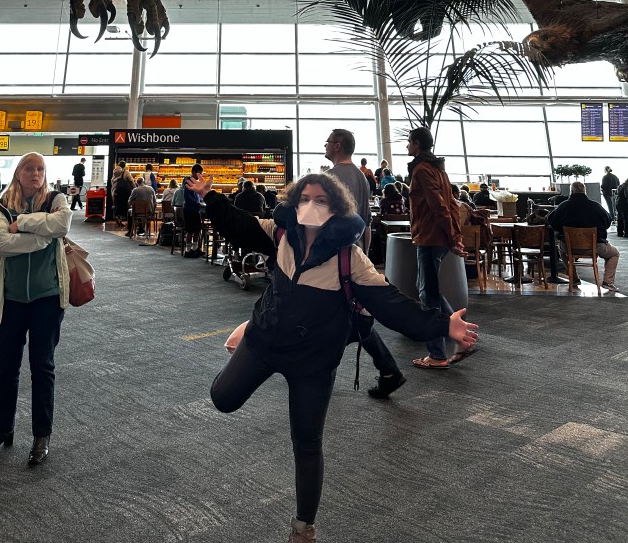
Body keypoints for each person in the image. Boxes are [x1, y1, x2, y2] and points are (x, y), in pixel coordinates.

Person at [191, 171, 478, 542]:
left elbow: (390, 303)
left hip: (313, 362)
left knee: (307, 443)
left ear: (336, 208)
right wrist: (210, 196)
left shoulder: (349, 258)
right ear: (294, 203)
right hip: (264, 342)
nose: (311, 206)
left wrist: (442, 325)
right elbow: (238, 224)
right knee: (222, 398)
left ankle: (303, 528)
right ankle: (249, 326)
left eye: (321, 200)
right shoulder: (281, 234)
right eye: (305, 198)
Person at [0, 152, 72, 466]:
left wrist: (24, 224)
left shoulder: (56, 200)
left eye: (40, 169)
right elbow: (1, 245)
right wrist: (40, 238)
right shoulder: (4, 204)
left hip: (47, 297)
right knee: (6, 368)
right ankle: (1, 430)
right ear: (18, 172)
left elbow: (62, 224)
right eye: (29, 168)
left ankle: (42, 435)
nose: (36, 173)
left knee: (42, 367)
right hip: (11, 299)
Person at [324, 129, 404, 399]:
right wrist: (364, 256)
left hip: (334, 258)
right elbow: (366, 221)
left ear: (337, 146)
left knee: (336, 316)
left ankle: (320, 376)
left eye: (327, 142)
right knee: (354, 316)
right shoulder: (362, 177)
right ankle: (388, 370)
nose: (325, 145)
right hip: (354, 255)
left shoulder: (330, 178)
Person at [407, 126, 469, 370]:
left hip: (430, 237)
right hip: (437, 237)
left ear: (417, 144)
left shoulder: (422, 169)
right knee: (428, 290)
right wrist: (454, 235)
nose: (407, 146)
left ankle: (438, 353)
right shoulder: (438, 168)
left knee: (428, 296)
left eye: (409, 142)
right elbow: (451, 204)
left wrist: (453, 237)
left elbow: (438, 205)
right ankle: (460, 335)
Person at [548, 181, 619, 291]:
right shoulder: (596, 206)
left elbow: (552, 221)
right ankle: (607, 282)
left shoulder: (563, 206)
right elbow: (608, 220)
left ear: (571, 192)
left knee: (561, 248)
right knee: (614, 254)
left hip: (570, 247)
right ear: (585, 192)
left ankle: (574, 278)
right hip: (595, 246)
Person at [182, 163, 205, 258]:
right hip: (189, 209)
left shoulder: (195, 182)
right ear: (194, 172)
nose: (200, 175)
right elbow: (187, 197)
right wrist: (197, 203)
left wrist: (200, 201)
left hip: (195, 209)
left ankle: (195, 249)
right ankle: (188, 251)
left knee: (197, 229)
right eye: (199, 173)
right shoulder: (188, 182)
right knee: (190, 230)